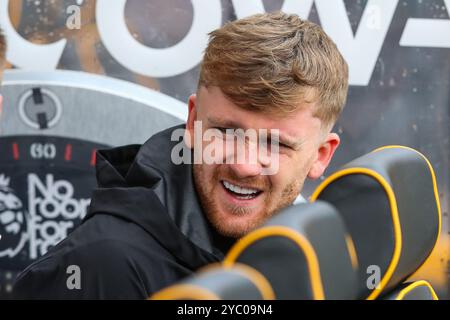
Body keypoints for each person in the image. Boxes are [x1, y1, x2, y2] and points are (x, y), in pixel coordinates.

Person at [13, 12, 349, 299]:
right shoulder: (102, 266)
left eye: (275, 144)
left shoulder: (317, 257)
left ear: (321, 155)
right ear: (192, 121)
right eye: (226, 132)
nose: (243, 164)